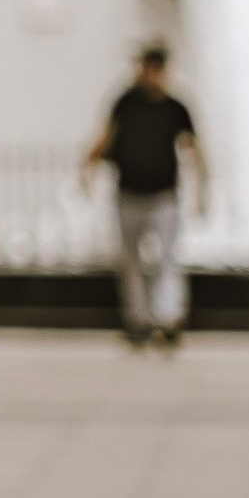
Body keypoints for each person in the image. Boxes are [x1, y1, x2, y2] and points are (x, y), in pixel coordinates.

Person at [91, 43, 202, 349]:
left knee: (167, 259)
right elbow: (107, 137)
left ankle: (168, 319)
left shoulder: (175, 107)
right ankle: (138, 321)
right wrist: (87, 164)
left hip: (163, 196)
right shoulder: (125, 102)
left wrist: (204, 186)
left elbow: (193, 146)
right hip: (129, 193)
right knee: (130, 260)